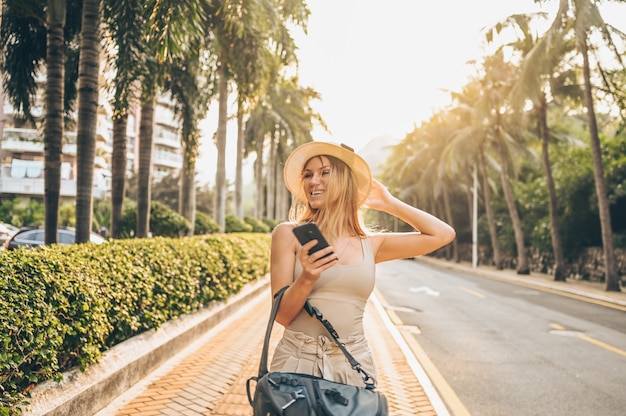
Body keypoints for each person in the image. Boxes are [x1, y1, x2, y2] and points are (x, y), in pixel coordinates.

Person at [269, 141, 456, 387]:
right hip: (296, 362)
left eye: (325, 172)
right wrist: (307, 278)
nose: (313, 181)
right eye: (308, 175)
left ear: (345, 181)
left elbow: (442, 234)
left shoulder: (372, 244)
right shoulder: (288, 234)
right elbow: (282, 316)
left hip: (352, 365)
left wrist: (390, 204)